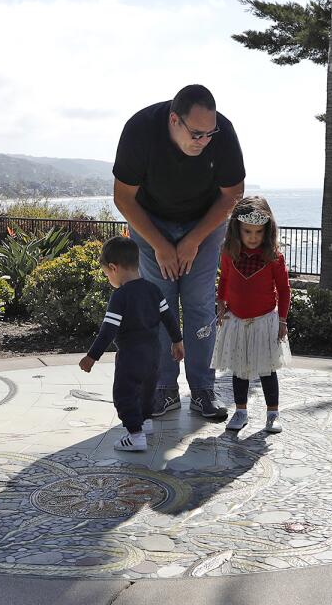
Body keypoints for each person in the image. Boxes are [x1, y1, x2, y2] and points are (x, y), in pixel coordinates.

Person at [113, 84, 246, 423]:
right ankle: (163, 390)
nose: (204, 141)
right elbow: (123, 197)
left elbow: (232, 193)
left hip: (204, 223)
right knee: (160, 303)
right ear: (174, 120)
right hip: (151, 222)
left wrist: (192, 241)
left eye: (209, 134)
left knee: (199, 303)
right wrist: (160, 244)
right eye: (197, 134)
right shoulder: (140, 130)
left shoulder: (223, 133)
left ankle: (203, 389)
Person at [79, 238, 184, 452]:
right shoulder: (153, 289)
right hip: (155, 353)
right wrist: (177, 341)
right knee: (147, 390)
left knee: (124, 393)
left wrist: (92, 356)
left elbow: (108, 330)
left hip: (130, 356)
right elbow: (169, 318)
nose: (108, 278)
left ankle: (135, 435)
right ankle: (146, 422)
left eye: (107, 274)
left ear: (113, 268)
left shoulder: (120, 296)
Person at [212, 197, 292, 434]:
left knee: (267, 370)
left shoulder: (274, 256)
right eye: (247, 231)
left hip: (264, 321)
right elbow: (225, 279)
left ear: (268, 230)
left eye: (259, 232)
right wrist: (221, 303)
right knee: (240, 369)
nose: (253, 237)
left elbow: (285, 289)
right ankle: (240, 411)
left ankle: (272, 414)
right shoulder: (229, 253)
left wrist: (282, 319)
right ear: (237, 229)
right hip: (236, 320)